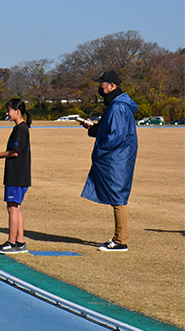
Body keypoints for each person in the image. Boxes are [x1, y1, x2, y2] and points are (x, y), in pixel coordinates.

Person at [80, 71, 138, 252]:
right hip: (117, 156)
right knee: (116, 197)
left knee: (118, 198)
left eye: (102, 84)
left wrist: (100, 149)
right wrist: (93, 128)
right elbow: (107, 129)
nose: (100, 87)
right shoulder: (115, 105)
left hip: (117, 157)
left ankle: (121, 240)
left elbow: (115, 136)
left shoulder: (118, 107)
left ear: (112, 85)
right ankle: (118, 238)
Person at [0, 98, 32, 254]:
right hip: (18, 174)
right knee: (16, 207)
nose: (7, 113)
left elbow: (16, 152)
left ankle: (11, 243)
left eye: (9, 110)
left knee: (12, 208)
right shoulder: (19, 128)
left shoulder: (21, 129)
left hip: (17, 175)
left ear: (17, 111)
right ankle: (20, 242)